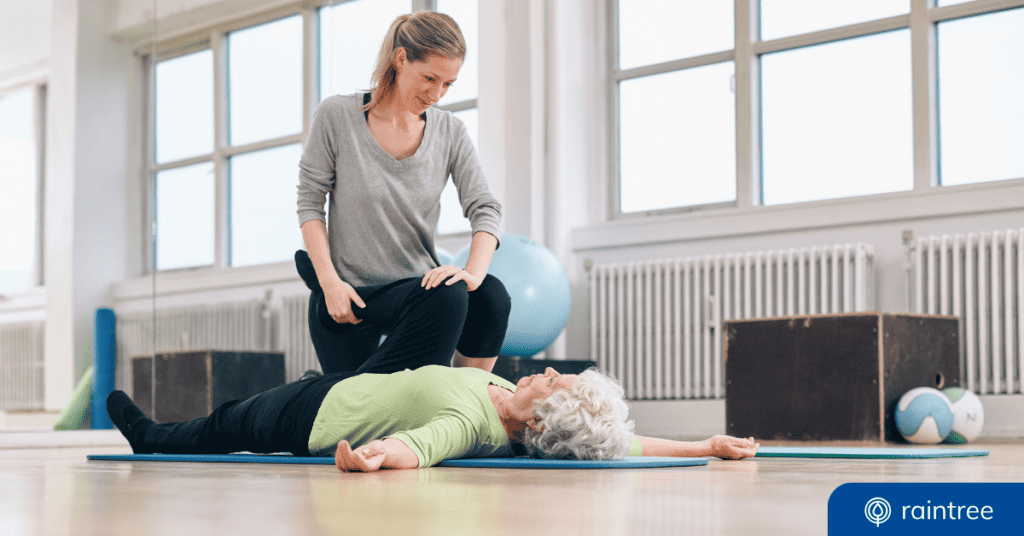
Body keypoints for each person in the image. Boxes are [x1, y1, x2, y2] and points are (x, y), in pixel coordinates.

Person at [296, 11, 508, 377]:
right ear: (400, 59)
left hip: (418, 293)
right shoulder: (336, 115)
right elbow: (310, 203)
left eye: (448, 84)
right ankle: (321, 388)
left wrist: (473, 273)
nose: (436, 94)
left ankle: (465, 401)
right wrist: (330, 284)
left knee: (488, 295)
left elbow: (484, 207)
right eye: (429, 78)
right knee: (355, 410)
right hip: (351, 292)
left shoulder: (450, 131)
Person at [106, 365, 759, 473]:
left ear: (540, 424)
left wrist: (371, 460)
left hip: (307, 416)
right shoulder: (504, 393)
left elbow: (418, 447)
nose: (554, 373)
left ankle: (147, 434)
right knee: (221, 421)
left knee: (218, 426)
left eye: (558, 386)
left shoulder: (472, 420)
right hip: (342, 388)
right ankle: (154, 430)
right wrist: (703, 443)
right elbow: (619, 445)